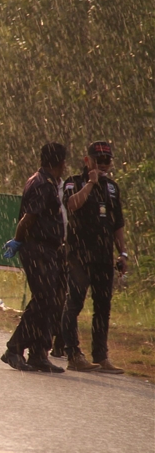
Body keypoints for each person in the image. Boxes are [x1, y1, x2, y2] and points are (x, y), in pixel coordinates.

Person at [61, 141, 128, 373]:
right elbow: (72, 205)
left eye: (106, 160)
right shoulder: (74, 181)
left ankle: (101, 356)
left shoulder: (112, 187)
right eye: (98, 160)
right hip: (79, 255)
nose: (103, 165)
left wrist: (123, 253)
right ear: (87, 160)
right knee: (74, 303)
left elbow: (117, 223)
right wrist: (91, 182)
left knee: (103, 306)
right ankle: (72, 353)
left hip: (103, 256)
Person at [1, 143, 68, 373]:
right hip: (37, 248)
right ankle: (14, 348)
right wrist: (18, 240)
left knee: (51, 301)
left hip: (49, 250)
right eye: (63, 162)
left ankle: (39, 352)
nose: (65, 166)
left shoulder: (48, 183)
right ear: (57, 162)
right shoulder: (41, 184)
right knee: (44, 299)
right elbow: (28, 219)